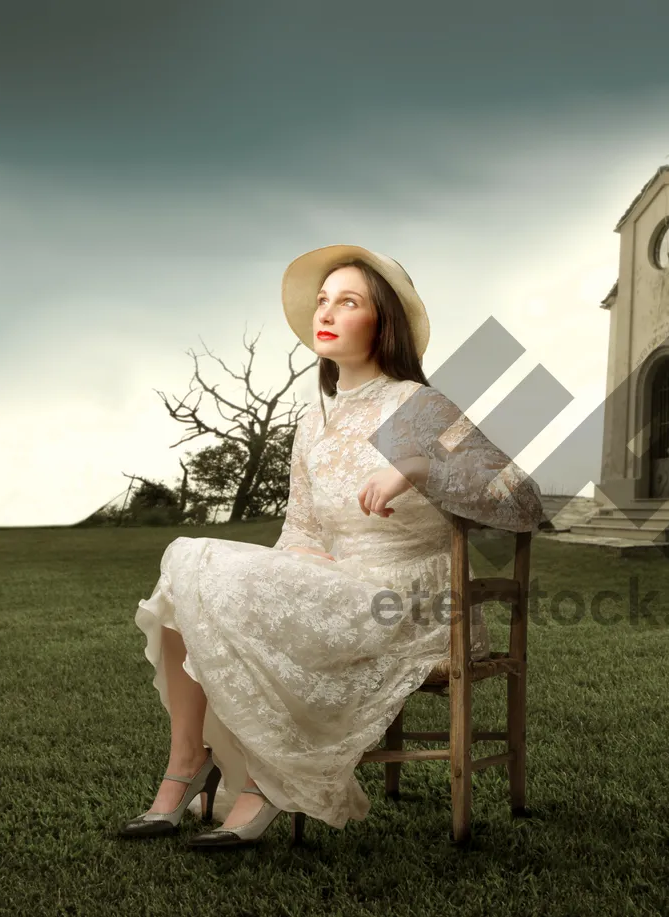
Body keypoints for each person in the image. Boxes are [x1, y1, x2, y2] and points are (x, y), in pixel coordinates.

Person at [118, 244, 544, 849]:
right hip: (336, 581)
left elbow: (520, 496)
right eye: (323, 300)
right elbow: (301, 526)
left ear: (381, 322)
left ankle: (265, 782)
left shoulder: (416, 405)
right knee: (185, 564)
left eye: (349, 301)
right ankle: (186, 763)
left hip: (413, 599)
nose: (328, 312)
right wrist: (299, 556)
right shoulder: (310, 419)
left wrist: (418, 466)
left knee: (196, 566)